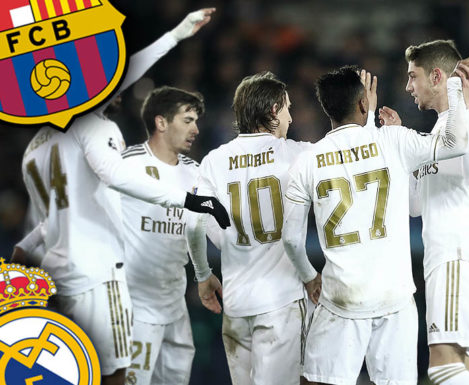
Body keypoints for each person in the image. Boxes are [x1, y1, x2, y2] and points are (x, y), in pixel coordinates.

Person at [14, 9, 229, 385]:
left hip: (63, 273)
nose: (114, 87)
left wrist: (175, 35)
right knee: (115, 376)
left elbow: (57, 214)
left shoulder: (39, 143)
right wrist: (188, 200)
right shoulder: (96, 129)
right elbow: (115, 175)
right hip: (103, 278)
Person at [282, 65, 469, 385]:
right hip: (394, 299)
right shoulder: (393, 140)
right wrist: (459, 95)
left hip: (341, 299)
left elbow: (290, 239)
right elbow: (455, 144)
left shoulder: (307, 160)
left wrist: (309, 277)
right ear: (364, 103)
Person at [379, 40, 469, 385]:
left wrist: (463, 98)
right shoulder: (438, 130)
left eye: (413, 77)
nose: (408, 86)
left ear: (436, 76)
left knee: (442, 369)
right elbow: (416, 205)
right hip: (447, 255)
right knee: (457, 370)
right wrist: (403, 150)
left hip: (458, 253)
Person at [188, 72, 311, 385]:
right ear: (272, 110)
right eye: (287, 109)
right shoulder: (297, 154)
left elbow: (192, 224)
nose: (290, 117)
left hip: (237, 303)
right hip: (280, 302)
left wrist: (203, 276)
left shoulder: (213, 161)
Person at [120, 86, 206, 385]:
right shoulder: (126, 165)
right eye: (187, 120)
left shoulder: (197, 173)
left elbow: (206, 230)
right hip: (133, 304)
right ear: (161, 123)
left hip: (174, 303)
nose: (195, 129)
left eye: (196, 121)